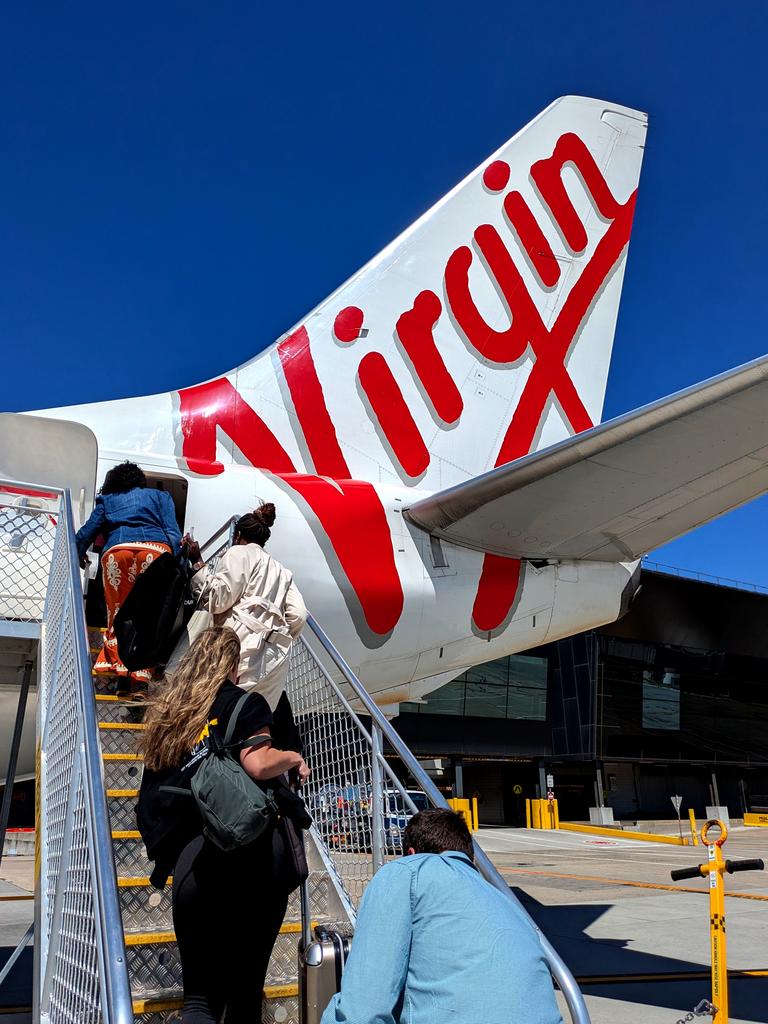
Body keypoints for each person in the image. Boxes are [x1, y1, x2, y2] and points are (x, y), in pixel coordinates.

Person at [137, 626, 311, 1024]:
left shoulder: (172, 715)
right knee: (245, 991)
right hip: (251, 862)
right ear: (233, 665)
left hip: (191, 866)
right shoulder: (244, 703)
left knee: (199, 999)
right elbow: (258, 763)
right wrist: (292, 758)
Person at [320, 808, 563, 1024]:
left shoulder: (407, 872)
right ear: (472, 858)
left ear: (412, 852)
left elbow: (364, 1010)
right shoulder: (509, 905)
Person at [184, 503, 307, 712]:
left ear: (238, 534)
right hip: (276, 655)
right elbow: (299, 614)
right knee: (254, 719)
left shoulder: (237, 553)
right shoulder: (282, 571)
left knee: (222, 710)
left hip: (240, 644)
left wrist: (197, 562)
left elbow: (217, 599)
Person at [75, 461, 182, 687]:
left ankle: (119, 670)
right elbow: (173, 533)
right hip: (155, 554)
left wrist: (78, 553)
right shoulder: (161, 497)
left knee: (119, 614)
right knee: (148, 617)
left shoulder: (107, 500)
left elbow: (87, 532)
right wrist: (171, 562)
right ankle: (140, 674)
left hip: (118, 553)